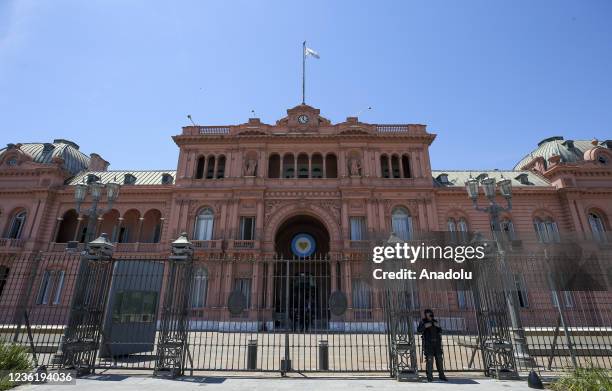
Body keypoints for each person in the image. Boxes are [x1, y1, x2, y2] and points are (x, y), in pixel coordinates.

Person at [417, 309, 448, 382]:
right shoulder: (423, 321)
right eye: (427, 314)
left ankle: (442, 375)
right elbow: (419, 330)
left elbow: (440, 331)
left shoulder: (435, 321)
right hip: (428, 344)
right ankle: (430, 377)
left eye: (430, 313)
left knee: (439, 360)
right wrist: (425, 326)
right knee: (430, 360)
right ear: (425, 314)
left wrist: (438, 326)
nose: (429, 315)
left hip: (437, 344)